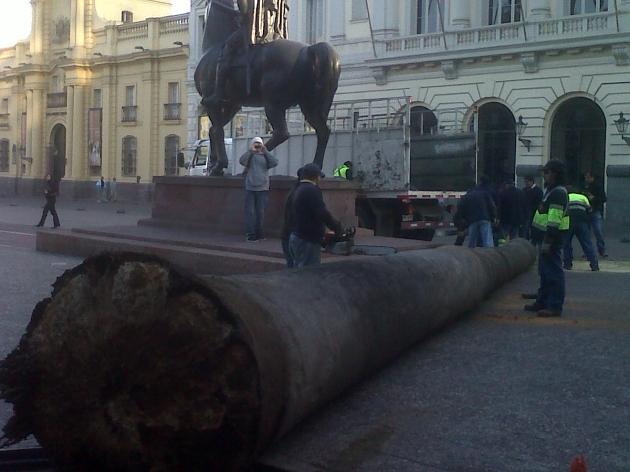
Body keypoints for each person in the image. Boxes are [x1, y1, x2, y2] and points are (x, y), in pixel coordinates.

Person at [203, 0, 289, 108]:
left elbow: (244, 8)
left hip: (251, 29)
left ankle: (218, 93)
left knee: (227, 48)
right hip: (272, 31)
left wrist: (240, 15)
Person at [524, 159, 570, 317]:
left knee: (553, 273)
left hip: (550, 239)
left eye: (547, 172)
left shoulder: (558, 192)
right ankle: (542, 301)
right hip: (544, 237)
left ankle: (555, 306)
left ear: (555, 174)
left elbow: (554, 219)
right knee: (544, 272)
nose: (544, 175)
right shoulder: (552, 190)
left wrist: (548, 240)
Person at [289, 163, 342, 267]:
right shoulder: (311, 190)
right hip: (307, 239)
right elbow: (321, 212)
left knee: (298, 271)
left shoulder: (298, 189)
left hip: (297, 236)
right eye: (319, 177)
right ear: (316, 177)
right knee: (309, 273)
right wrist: (336, 227)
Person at [239, 136, 278, 242]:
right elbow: (241, 161)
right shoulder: (250, 155)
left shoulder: (265, 156)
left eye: (259, 144)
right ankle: (251, 234)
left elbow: (274, 162)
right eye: (255, 144)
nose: (257, 146)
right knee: (250, 212)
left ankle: (260, 233)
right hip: (250, 188)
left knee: (260, 212)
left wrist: (265, 151)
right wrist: (250, 151)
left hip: (263, 188)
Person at [563, 187, 599, 271]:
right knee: (587, 243)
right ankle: (594, 265)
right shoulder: (583, 197)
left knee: (567, 243)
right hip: (582, 222)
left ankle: (567, 264)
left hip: (569, 221)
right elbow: (589, 210)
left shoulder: (566, 197)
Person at [458, 177, 497, 248]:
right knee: (487, 240)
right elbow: (491, 206)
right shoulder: (484, 193)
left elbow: (461, 210)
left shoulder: (466, 196)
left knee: (472, 240)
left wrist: (463, 222)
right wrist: (493, 217)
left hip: (472, 220)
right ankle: (489, 254)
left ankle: (472, 254)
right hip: (484, 218)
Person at [281, 167, 304, 268]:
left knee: (291, 266)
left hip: (287, 234)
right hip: (296, 235)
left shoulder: (294, 190)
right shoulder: (304, 192)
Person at [583, 171, 607, 257]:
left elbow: (603, 198)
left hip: (595, 211)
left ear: (592, 177)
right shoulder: (585, 186)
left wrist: (594, 198)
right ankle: (588, 251)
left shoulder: (598, 186)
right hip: (587, 212)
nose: (586, 179)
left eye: (587, 177)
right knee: (587, 233)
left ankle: (601, 250)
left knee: (598, 232)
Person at [522, 176, 543, 241]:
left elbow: (539, 202)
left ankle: (534, 241)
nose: (526, 183)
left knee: (533, 228)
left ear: (531, 181)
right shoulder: (524, 190)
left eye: (527, 182)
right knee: (526, 228)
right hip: (527, 212)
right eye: (525, 182)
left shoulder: (538, 190)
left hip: (535, 212)